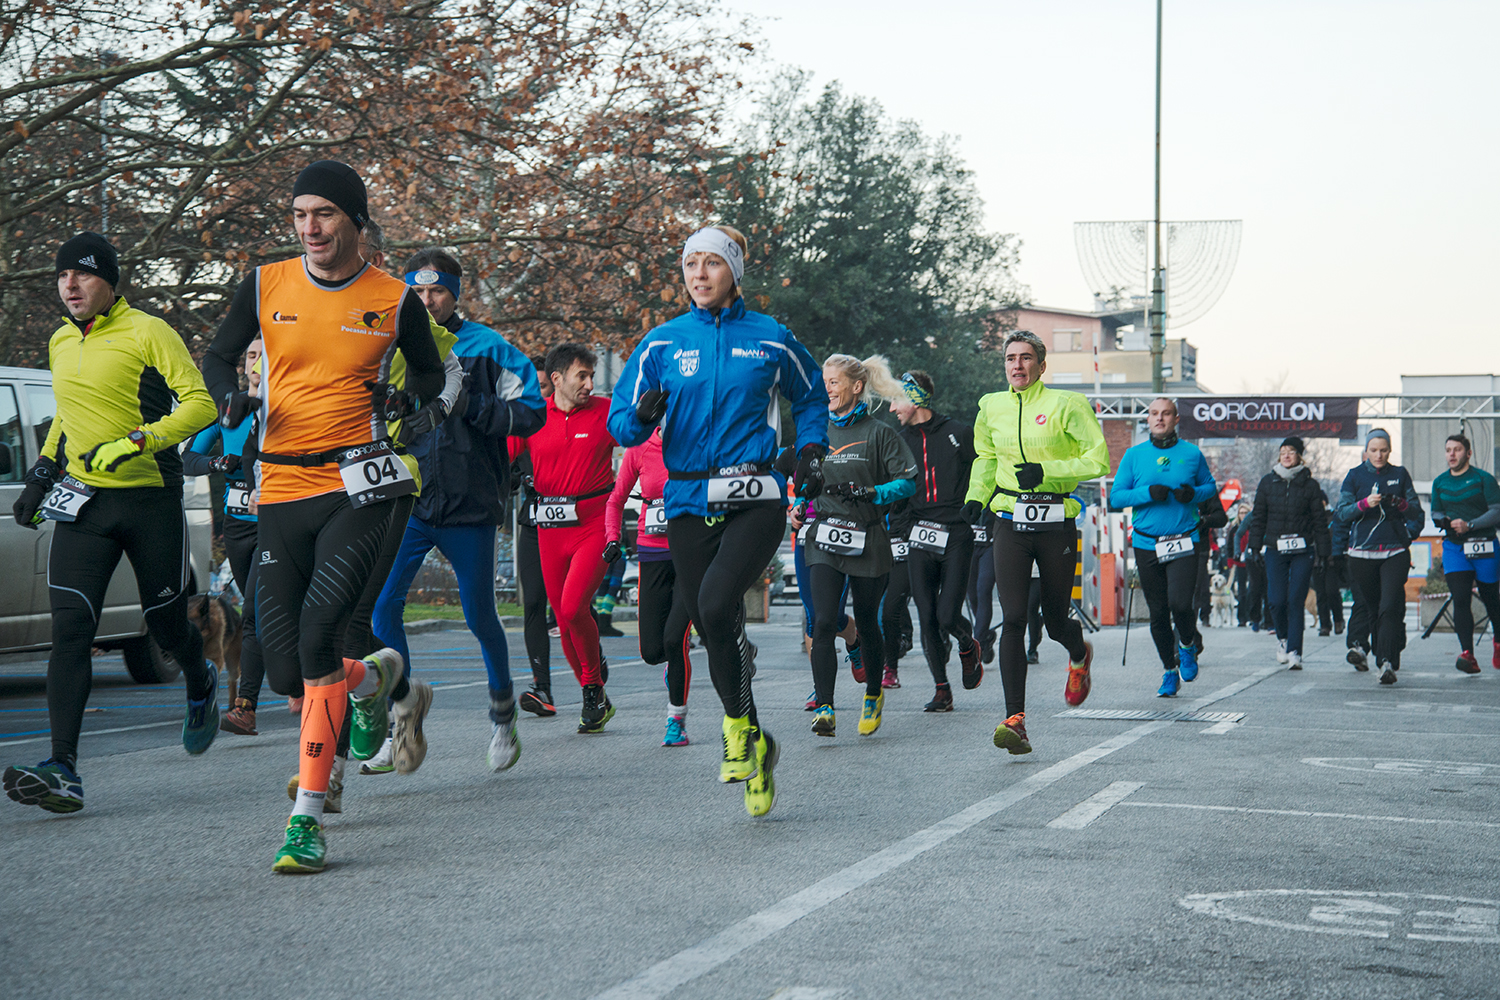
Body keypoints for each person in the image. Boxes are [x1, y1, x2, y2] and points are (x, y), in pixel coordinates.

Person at [202, 160, 445, 872]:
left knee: (317, 638)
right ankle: (382, 682)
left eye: (325, 214)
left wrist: (405, 401)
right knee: (284, 672)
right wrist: (227, 399)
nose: (310, 227)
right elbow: (217, 357)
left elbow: (429, 374)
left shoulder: (393, 299)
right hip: (281, 484)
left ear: (355, 222)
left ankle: (305, 819)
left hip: (358, 482)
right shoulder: (265, 284)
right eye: (301, 214)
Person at [609, 224, 826, 817]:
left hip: (755, 494)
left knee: (713, 603)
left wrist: (811, 447)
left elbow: (811, 396)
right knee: (715, 622)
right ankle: (755, 738)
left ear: (734, 272)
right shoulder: (662, 342)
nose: (699, 274)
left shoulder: (771, 336)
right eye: (691, 264)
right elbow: (620, 423)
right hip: (686, 498)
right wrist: (641, 417)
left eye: (711, 263)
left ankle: (734, 730)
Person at [3, 232, 220, 816]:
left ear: (109, 281)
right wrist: (41, 475)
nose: (70, 285)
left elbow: (201, 405)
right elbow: (67, 418)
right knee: (71, 629)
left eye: (83, 274)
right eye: (62, 275)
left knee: (166, 625)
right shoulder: (59, 340)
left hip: (149, 501)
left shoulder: (149, 332)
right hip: (85, 506)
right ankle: (63, 769)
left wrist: (136, 441)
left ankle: (199, 676)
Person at [369, 248, 545, 772]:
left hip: (470, 502)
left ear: (456, 293)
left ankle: (502, 714)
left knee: (479, 615)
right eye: (418, 292)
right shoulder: (390, 348)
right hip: (409, 499)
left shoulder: (487, 348)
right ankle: (400, 715)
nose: (427, 302)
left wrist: (472, 405)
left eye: (438, 291)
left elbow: (532, 412)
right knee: (382, 607)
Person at [965, 329, 1109, 755]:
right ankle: (1016, 720)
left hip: (1055, 519)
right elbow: (986, 457)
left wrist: (1048, 472)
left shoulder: (1068, 404)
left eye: (1026, 357)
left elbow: (1097, 459)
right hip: (1010, 518)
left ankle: (1078, 653)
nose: (1018, 365)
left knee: (1054, 617)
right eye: (1011, 358)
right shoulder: (991, 406)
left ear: (1042, 365)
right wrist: (976, 496)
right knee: (1013, 617)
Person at [805, 354, 916, 737]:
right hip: (824, 537)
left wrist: (872, 492)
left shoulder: (880, 433)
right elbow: (803, 479)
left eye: (834, 382)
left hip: (868, 538)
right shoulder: (816, 430)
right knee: (822, 621)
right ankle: (825, 707)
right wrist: (798, 503)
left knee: (867, 620)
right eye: (824, 382)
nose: (827, 390)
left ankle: (872, 694)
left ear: (856, 386)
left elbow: (907, 483)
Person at [512, 343, 617, 732]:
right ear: (556, 379)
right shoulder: (533, 417)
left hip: (595, 521)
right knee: (563, 616)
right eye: (582, 376)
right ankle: (596, 696)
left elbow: (646, 442)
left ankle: (591, 687)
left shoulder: (607, 412)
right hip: (549, 527)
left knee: (573, 608)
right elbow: (499, 452)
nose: (589, 384)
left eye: (592, 376)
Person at [1109, 397, 1218, 695]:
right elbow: (1116, 497)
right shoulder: (1134, 455)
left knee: (1181, 604)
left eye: (1166, 413)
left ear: (1176, 419)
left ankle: (1187, 645)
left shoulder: (1192, 454)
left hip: (1184, 540)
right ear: (1148, 419)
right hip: (1147, 543)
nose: (1160, 418)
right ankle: (1169, 670)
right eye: (1154, 413)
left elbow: (1210, 487)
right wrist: (1147, 493)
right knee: (1158, 613)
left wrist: (1193, 494)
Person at [890, 369, 981, 712]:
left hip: (956, 534)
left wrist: (977, 510)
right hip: (919, 535)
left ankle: (967, 643)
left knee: (946, 616)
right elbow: (898, 490)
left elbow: (981, 472)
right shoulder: (899, 441)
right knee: (926, 615)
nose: (892, 408)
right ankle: (942, 689)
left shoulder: (959, 433)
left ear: (915, 399)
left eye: (896, 400)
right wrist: (902, 527)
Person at [184, 338, 262, 735]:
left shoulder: (290, 406)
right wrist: (217, 462)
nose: (257, 362)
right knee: (254, 609)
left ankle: (245, 705)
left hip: (279, 521)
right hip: (237, 523)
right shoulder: (228, 411)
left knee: (258, 612)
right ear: (241, 365)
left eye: (265, 355)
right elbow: (188, 458)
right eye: (251, 355)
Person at [605, 426, 696, 745]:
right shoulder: (640, 449)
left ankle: (676, 720)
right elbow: (615, 500)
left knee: (674, 639)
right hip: (652, 553)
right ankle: (675, 664)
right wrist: (612, 538)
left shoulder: (696, 439)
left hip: (690, 553)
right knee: (652, 651)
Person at [1335, 428, 1424, 685]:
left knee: (1389, 606)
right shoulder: (1355, 475)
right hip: (1362, 553)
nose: (1378, 455)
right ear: (1366, 451)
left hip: (1394, 551)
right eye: (1373, 450)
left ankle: (1386, 662)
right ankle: (1372, 651)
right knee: (1370, 607)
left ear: (1389, 450)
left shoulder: (1400, 474)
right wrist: (1364, 504)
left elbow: (1415, 511)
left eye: (1383, 450)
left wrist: (1399, 504)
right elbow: (1342, 512)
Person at [1246, 436, 1330, 671]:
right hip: (1275, 548)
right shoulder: (1267, 482)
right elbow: (1258, 517)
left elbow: (1319, 521)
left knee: (1295, 600)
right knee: (1276, 600)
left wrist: (1324, 553)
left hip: (1303, 550)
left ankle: (1295, 651)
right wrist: (1254, 547)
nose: (1286, 455)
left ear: (1299, 456)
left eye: (1291, 451)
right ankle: (1282, 638)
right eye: (1283, 451)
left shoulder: (1310, 486)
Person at [1429, 433, 1500, 674]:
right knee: (1460, 598)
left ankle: (1498, 642)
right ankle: (1467, 654)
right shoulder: (1440, 482)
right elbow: (1435, 512)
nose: (1452, 454)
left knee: (1491, 599)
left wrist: (1469, 525)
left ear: (1468, 453)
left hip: (1484, 544)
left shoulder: (1483, 479)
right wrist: (1444, 521)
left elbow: (1497, 511)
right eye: (1448, 450)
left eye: (1457, 449)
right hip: (1455, 547)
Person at [513, 356, 556, 716]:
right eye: (532, 388)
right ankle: (542, 687)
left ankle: (593, 674)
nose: (537, 394)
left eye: (542, 387)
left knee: (572, 608)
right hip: (533, 521)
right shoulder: (522, 423)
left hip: (572, 525)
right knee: (533, 604)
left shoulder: (566, 420)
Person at [1310, 487, 1346, 637]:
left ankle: (1338, 619)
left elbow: (1338, 536)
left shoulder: (1333, 517)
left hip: (1331, 560)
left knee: (1332, 591)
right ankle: (1325, 624)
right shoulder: (1309, 519)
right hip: (1315, 561)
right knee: (1320, 594)